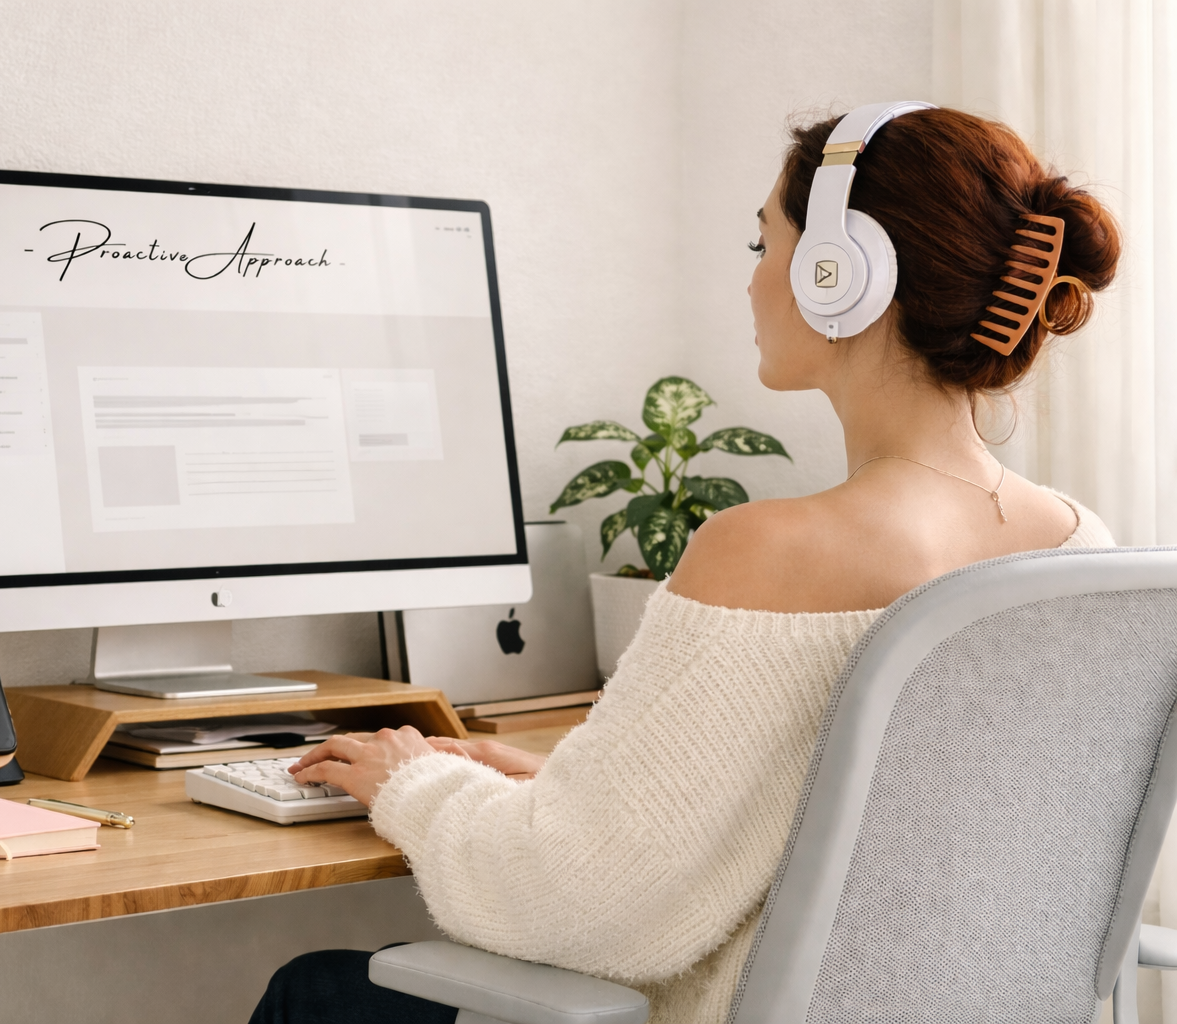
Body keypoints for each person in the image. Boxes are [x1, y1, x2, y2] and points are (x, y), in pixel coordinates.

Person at [247, 105, 1122, 1024]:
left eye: (763, 244)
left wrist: (413, 782)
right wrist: (570, 785)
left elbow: (569, 908)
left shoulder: (768, 551)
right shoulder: (1077, 548)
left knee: (315, 993)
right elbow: (877, 837)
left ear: (840, 274)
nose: (751, 281)